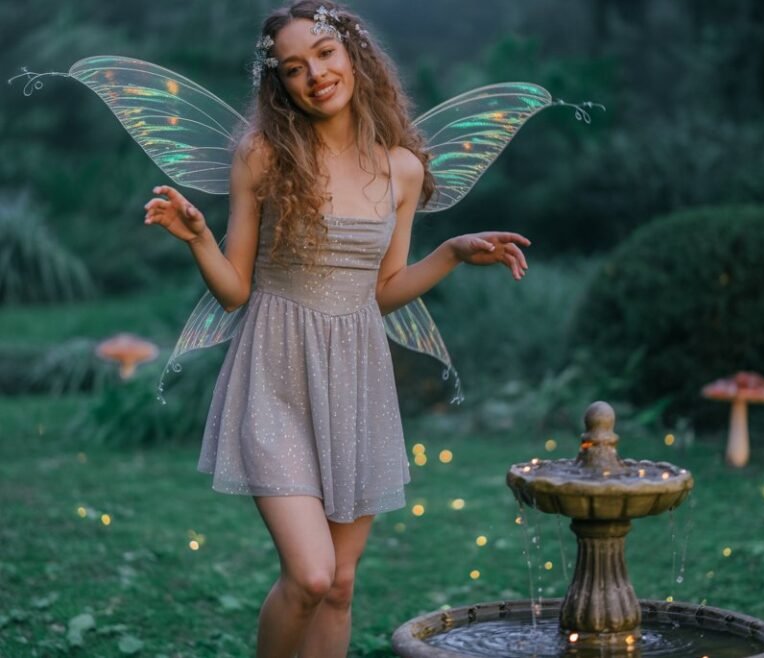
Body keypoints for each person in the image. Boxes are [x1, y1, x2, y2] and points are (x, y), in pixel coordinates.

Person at [142, 2, 530, 656]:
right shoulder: (263, 155)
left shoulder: (401, 168)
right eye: (294, 68)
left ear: (352, 52)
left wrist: (453, 254)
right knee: (311, 574)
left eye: (324, 53)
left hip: (357, 376)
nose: (315, 75)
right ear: (279, 84)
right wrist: (199, 237)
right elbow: (236, 289)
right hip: (273, 371)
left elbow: (382, 290)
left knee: (342, 583)